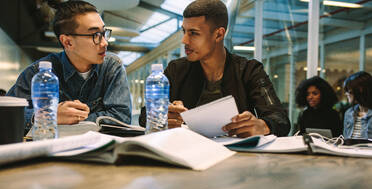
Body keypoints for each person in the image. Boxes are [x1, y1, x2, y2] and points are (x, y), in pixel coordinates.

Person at [140, 0, 290, 137]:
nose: (184, 40)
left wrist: (263, 126)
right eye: (184, 31)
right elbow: (144, 116)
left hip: (235, 157)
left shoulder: (249, 70)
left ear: (219, 35)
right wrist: (163, 115)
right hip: (187, 153)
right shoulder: (176, 69)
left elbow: (280, 119)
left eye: (193, 33)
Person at [7, 0, 131, 132]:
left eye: (104, 33)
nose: (105, 43)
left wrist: (70, 119)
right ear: (67, 42)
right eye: (95, 35)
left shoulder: (112, 67)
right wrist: (48, 115)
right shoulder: (38, 73)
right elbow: (7, 115)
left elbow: (121, 117)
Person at [343, 71, 372, 139]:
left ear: (361, 90)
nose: (346, 94)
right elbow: (345, 139)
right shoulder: (348, 113)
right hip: (348, 149)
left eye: (349, 91)